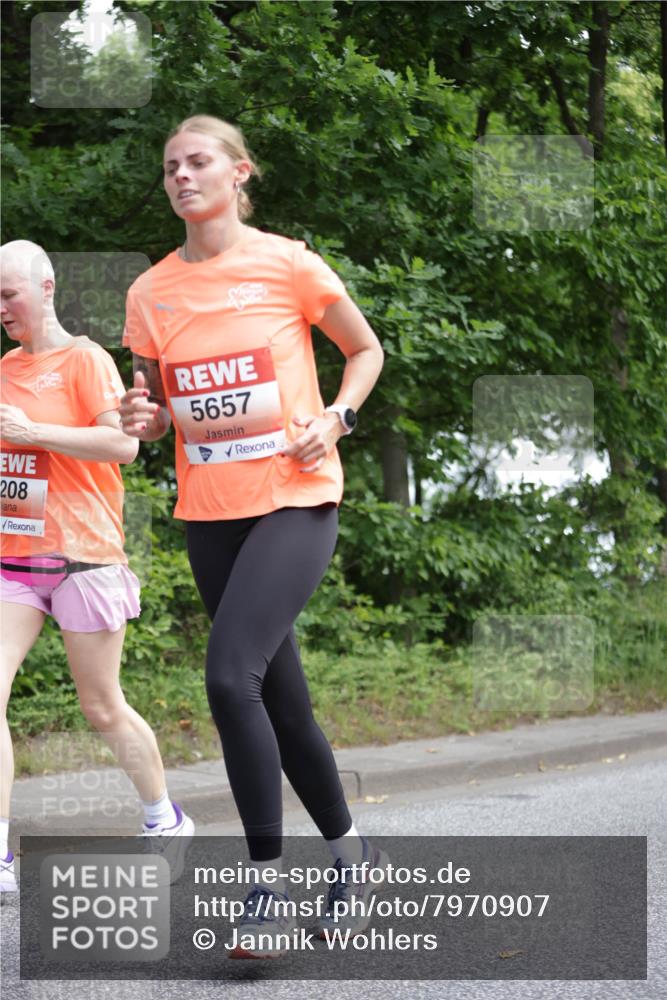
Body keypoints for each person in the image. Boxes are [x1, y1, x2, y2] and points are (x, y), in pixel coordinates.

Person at [119, 114, 386, 958]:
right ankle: (355, 859)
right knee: (282, 700)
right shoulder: (151, 291)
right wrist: (144, 416)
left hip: (296, 496)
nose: (180, 176)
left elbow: (365, 348)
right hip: (210, 513)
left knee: (231, 678)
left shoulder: (286, 262)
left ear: (240, 174)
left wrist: (336, 418)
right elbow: (154, 416)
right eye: (170, 167)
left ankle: (264, 887)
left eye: (198, 162)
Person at [0, 240, 194, 896]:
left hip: (85, 558)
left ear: (46, 287)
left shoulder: (84, 359)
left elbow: (123, 445)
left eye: (10, 294)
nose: (2, 308)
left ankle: (163, 818)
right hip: (15, 559)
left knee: (101, 705)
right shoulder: (4, 367)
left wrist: (34, 434)